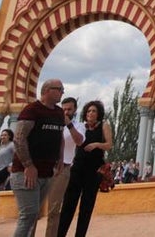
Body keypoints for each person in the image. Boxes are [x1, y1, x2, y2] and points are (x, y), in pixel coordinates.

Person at [10, 79, 66, 237]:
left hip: (46, 173)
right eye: (59, 89)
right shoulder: (32, 110)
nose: (62, 92)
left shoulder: (59, 112)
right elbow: (19, 138)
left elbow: (59, 137)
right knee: (28, 215)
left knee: (34, 216)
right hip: (26, 173)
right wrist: (28, 165)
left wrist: (60, 158)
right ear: (47, 90)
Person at [57, 100, 112, 237]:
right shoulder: (81, 126)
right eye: (88, 111)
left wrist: (96, 145)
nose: (90, 113)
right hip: (78, 167)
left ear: (99, 113)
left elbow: (109, 145)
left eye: (94, 111)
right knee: (68, 204)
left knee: (86, 207)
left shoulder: (104, 126)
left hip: (94, 170)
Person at [44, 97, 84, 237]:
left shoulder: (78, 126)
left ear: (75, 110)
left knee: (54, 210)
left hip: (62, 169)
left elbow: (79, 141)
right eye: (64, 109)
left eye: (69, 109)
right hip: (45, 167)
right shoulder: (52, 123)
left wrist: (69, 125)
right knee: (34, 209)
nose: (66, 112)